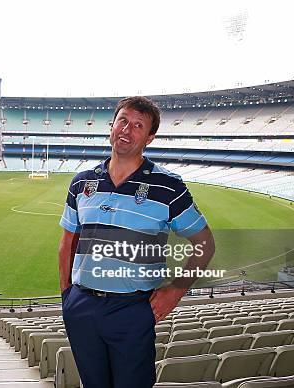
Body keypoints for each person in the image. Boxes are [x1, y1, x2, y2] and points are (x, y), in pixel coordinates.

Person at [58, 96, 215, 388]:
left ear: (150, 137)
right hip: (81, 307)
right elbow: (67, 242)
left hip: (131, 310)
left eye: (138, 125)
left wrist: (175, 292)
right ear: (112, 126)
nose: (127, 130)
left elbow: (205, 243)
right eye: (123, 121)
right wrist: (68, 297)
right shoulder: (81, 182)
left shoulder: (169, 187)